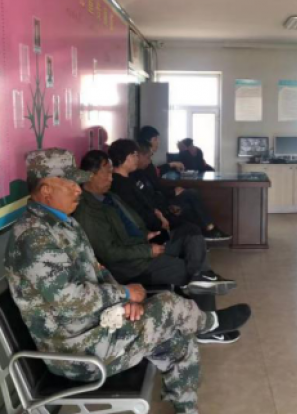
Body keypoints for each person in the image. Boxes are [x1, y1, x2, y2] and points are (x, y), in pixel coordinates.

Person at [5, 148, 251, 414]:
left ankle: (187, 408)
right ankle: (209, 324)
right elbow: (70, 301)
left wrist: (122, 304)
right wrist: (122, 294)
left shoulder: (63, 224)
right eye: (70, 184)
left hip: (98, 327)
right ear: (46, 191)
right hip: (77, 352)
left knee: (178, 339)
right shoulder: (35, 238)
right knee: (168, 305)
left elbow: (98, 271)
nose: (78, 189)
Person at [75, 151, 239, 345]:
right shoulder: (88, 210)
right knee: (189, 270)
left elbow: (130, 224)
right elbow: (109, 253)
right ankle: (205, 327)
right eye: (107, 173)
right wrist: (147, 250)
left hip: (142, 245)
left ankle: (202, 293)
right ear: (90, 175)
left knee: (192, 237)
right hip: (132, 264)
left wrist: (146, 235)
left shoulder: (109, 197)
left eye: (112, 172)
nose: (111, 178)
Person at [137, 141, 230, 241]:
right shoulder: (137, 175)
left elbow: (156, 187)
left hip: (162, 201)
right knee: (190, 200)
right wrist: (172, 193)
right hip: (161, 206)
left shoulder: (145, 170)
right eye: (148, 157)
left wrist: (173, 190)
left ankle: (205, 232)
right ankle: (207, 230)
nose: (149, 161)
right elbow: (151, 194)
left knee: (191, 197)